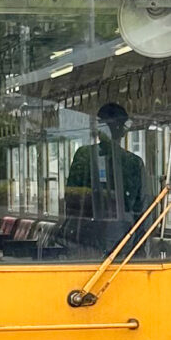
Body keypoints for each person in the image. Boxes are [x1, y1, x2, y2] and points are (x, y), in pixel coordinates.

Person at [64, 102, 152, 248]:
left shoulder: (84, 155)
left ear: (98, 129)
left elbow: (71, 200)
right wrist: (141, 249)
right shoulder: (134, 163)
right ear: (123, 130)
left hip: (84, 240)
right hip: (124, 241)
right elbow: (143, 211)